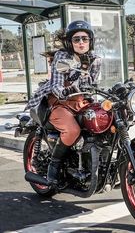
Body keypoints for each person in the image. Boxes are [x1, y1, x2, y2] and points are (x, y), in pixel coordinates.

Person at [25, 20, 102, 185]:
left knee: (101, 122)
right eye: (76, 39)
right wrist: (66, 90)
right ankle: (54, 166)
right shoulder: (62, 56)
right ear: (70, 42)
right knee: (72, 130)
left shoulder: (95, 59)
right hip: (60, 103)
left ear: (90, 40)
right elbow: (56, 85)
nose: (81, 42)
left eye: (84, 38)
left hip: (83, 102)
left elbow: (94, 84)